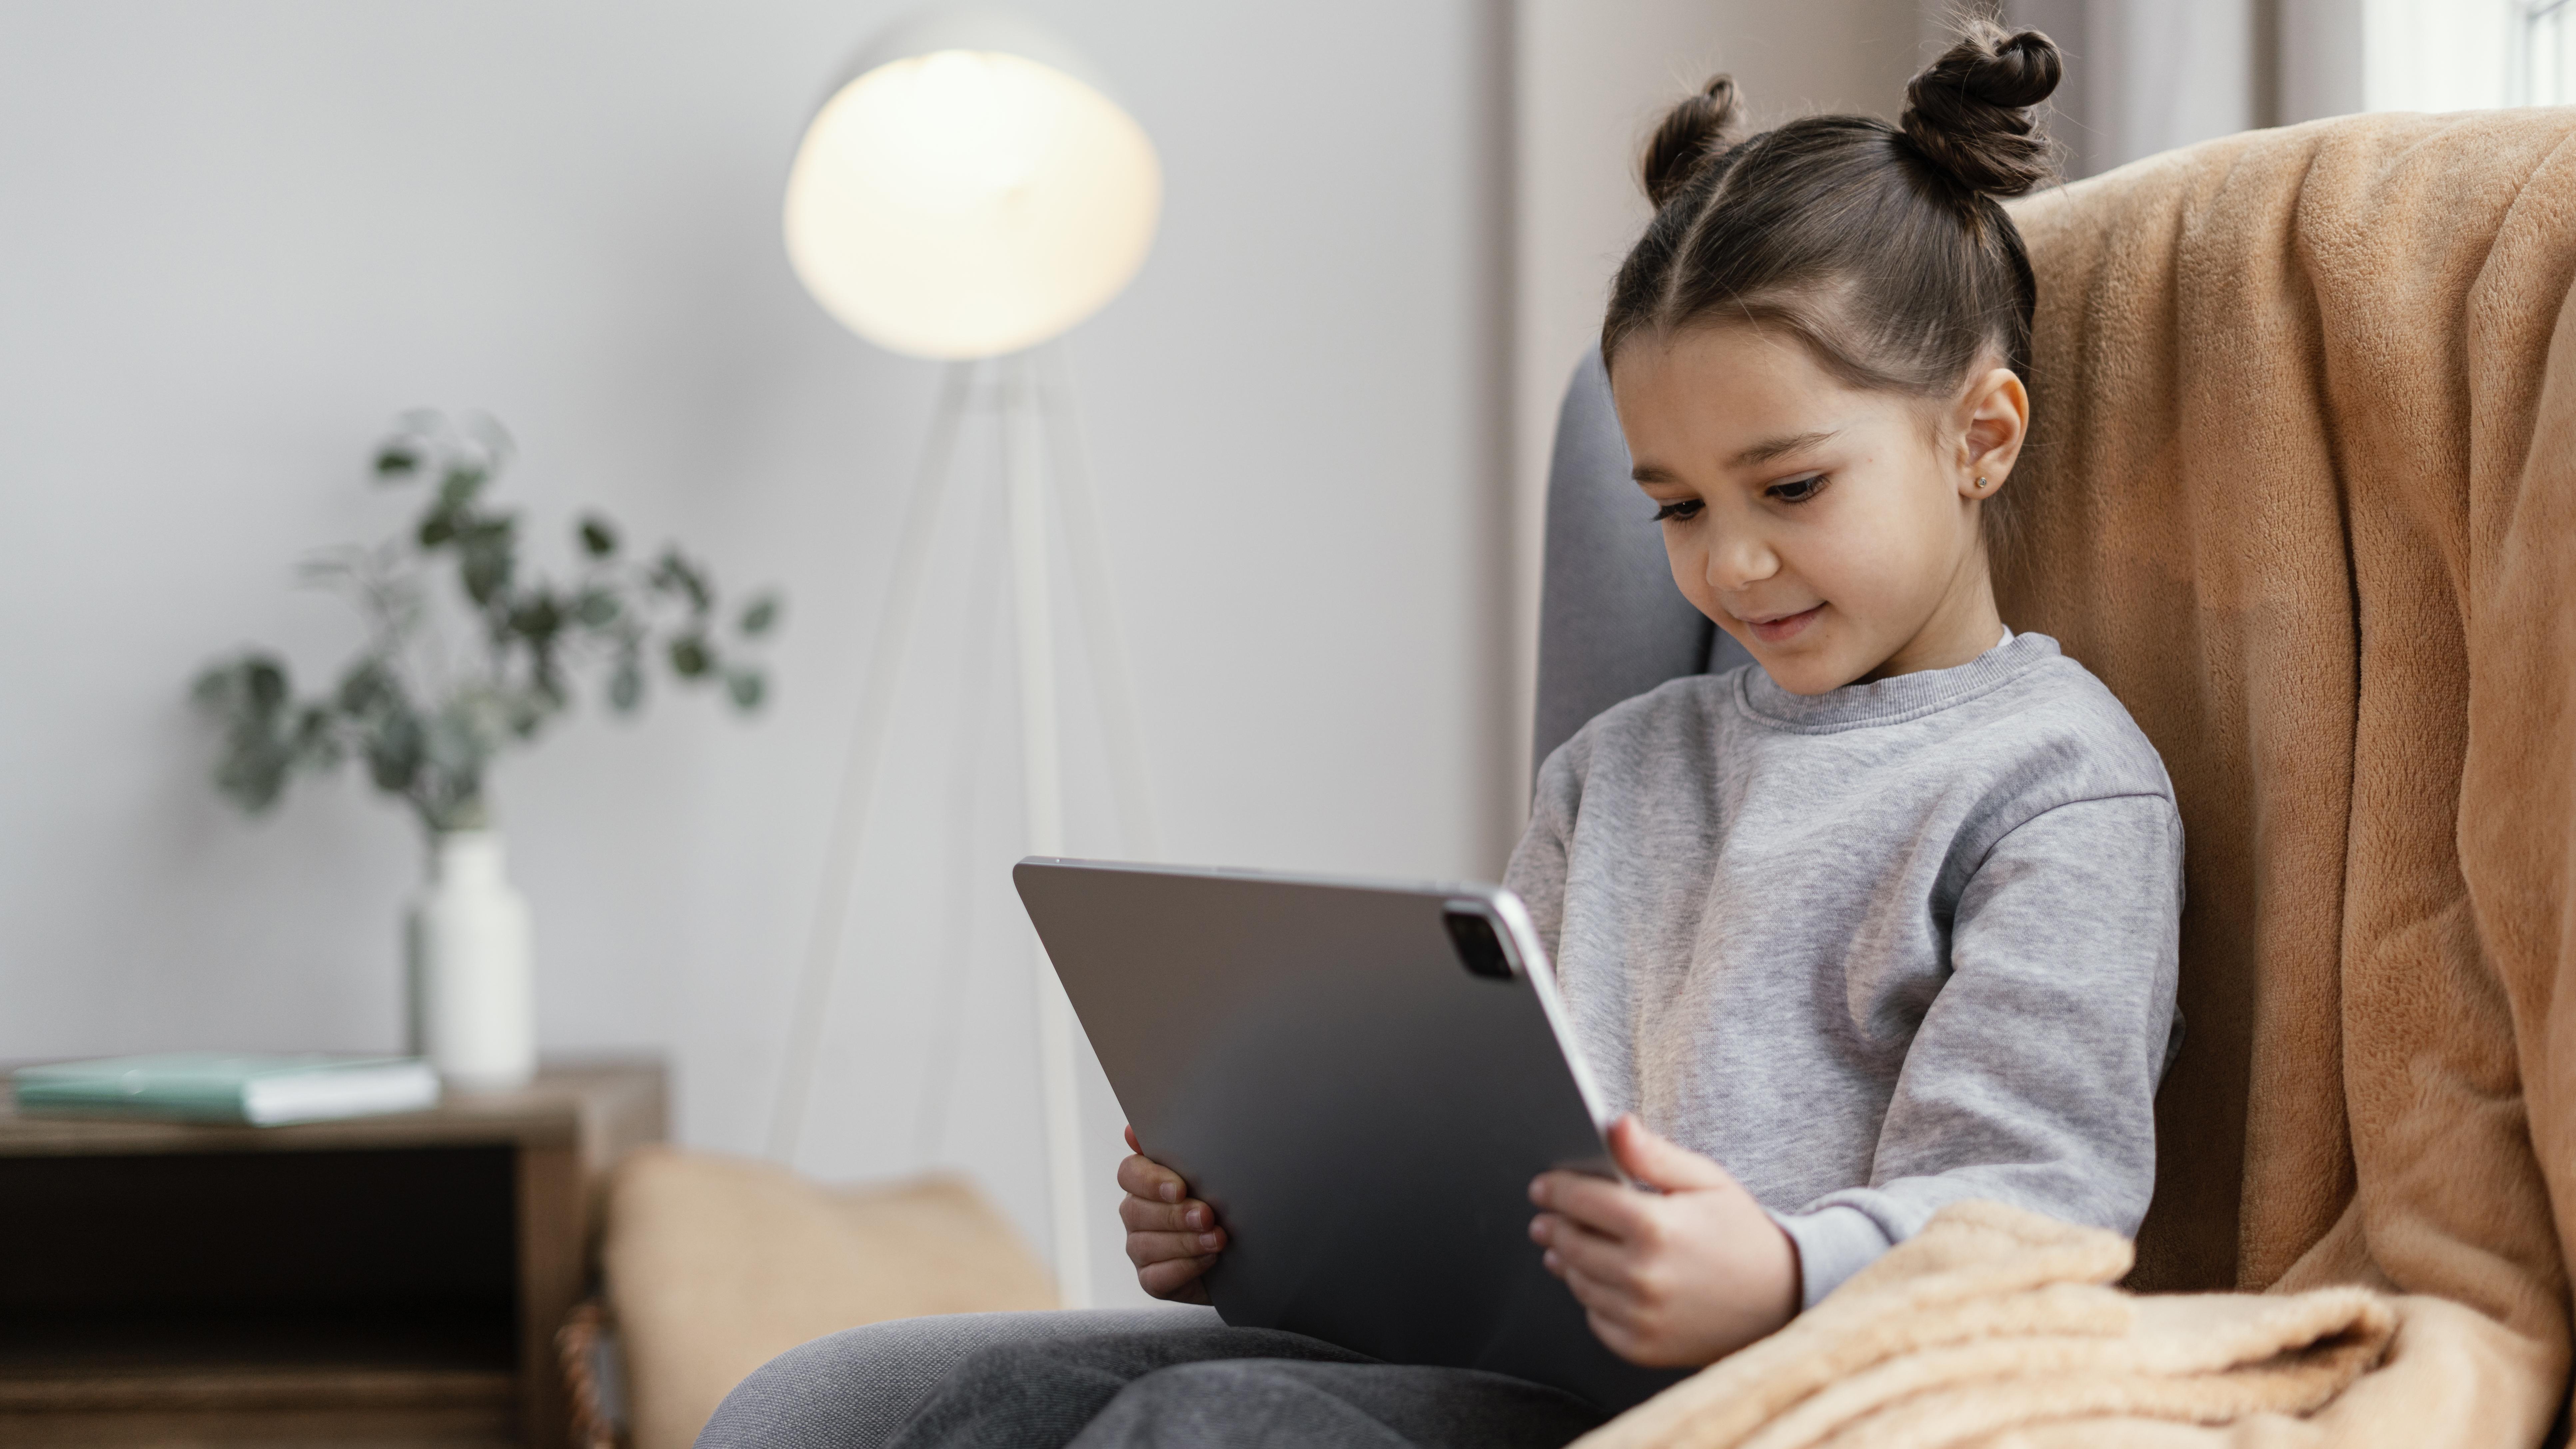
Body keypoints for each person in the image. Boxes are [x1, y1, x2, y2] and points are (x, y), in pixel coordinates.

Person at [698, 20, 2181, 1449]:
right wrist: (1249, 1220)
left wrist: (1778, 1273)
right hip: (1504, 1373)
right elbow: (1475, 1129)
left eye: (1788, 488)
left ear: (1979, 435)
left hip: (1761, 1404)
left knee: (1212, 1427)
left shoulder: (2053, 787)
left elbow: (2033, 1214)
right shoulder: (1624, 765)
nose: (1727, 564)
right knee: (960, 1423)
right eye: (1676, 505)